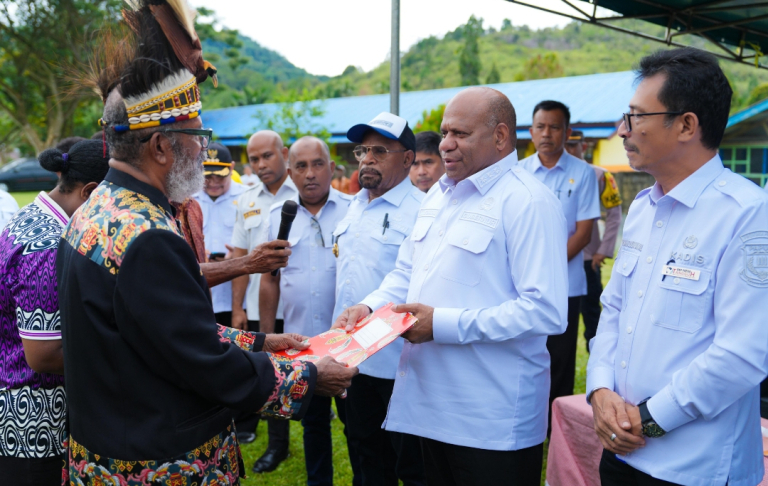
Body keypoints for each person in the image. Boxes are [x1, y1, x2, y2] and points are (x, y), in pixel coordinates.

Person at [57, 3, 356, 485]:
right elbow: (200, 361)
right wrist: (308, 378)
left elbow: (167, 332)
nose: (203, 149)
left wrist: (262, 341)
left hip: (105, 452)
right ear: (159, 146)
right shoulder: (148, 236)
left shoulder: (93, 211)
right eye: (196, 135)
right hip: (157, 464)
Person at [335, 88, 568, 486]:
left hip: (490, 421)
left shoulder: (528, 201)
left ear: (499, 137)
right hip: (428, 409)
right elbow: (405, 273)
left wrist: (441, 325)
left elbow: (545, 310)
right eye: (444, 132)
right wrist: (370, 307)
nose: (445, 144)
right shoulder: (438, 198)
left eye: (459, 133)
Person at [588, 47, 768, 486]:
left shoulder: (747, 214)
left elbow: (742, 354)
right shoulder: (646, 208)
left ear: (686, 124)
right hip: (622, 454)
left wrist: (645, 421)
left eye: (635, 118)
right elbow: (614, 310)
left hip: (693, 467)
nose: (622, 130)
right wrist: (599, 391)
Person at [0, 140, 109, 485]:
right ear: (90, 192)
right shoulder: (46, 245)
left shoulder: (36, 217)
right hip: (34, 425)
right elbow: (44, 354)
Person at [331, 112, 426, 486]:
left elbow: (412, 281)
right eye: (364, 150)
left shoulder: (423, 211)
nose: (368, 158)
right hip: (352, 359)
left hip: (398, 364)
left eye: (380, 150)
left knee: (410, 465)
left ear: (407, 159)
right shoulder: (353, 207)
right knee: (364, 456)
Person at [260, 136, 356, 486]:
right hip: (303, 348)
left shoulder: (354, 210)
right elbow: (269, 281)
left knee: (357, 427)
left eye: (318, 164)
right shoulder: (278, 217)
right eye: (301, 166)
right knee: (313, 426)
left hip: (350, 346)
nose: (310, 173)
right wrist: (268, 338)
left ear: (332, 168)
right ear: (290, 173)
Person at [518, 100, 600, 415]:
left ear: (567, 132)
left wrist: (546, 267)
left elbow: (583, 233)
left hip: (566, 285)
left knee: (561, 359)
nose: (547, 133)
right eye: (540, 127)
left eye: (555, 127)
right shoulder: (519, 172)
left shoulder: (583, 174)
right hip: (522, 284)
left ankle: (556, 430)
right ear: (530, 131)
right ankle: (528, 416)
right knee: (525, 354)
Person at [230, 129, 299, 468]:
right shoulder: (246, 200)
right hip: (262, 307)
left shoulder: (306, 191)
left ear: (284, 153)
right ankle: (277, 445)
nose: (260, 165)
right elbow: (240, 260)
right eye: (253, 159)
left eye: (267, 156)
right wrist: (239, 308)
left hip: (302, 306)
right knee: (272, 377)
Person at [565, 131, 622, 352]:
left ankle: (598, 369)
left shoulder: (600, 175)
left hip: (589, 260)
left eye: (572, 145)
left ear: (584, 146)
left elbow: (614, 214)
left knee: (592, 317)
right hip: (558, 260)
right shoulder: (548, 175)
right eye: (565, 145)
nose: (568, 150)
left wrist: (603, 251)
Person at [193, 142, 244, 327]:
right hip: (204, 298)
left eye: (219, 176)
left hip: (238, 299)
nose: (213, 182)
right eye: (208, 176)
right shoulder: (188, 200)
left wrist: (237, 256)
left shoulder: (246, 198)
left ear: (231, 168)